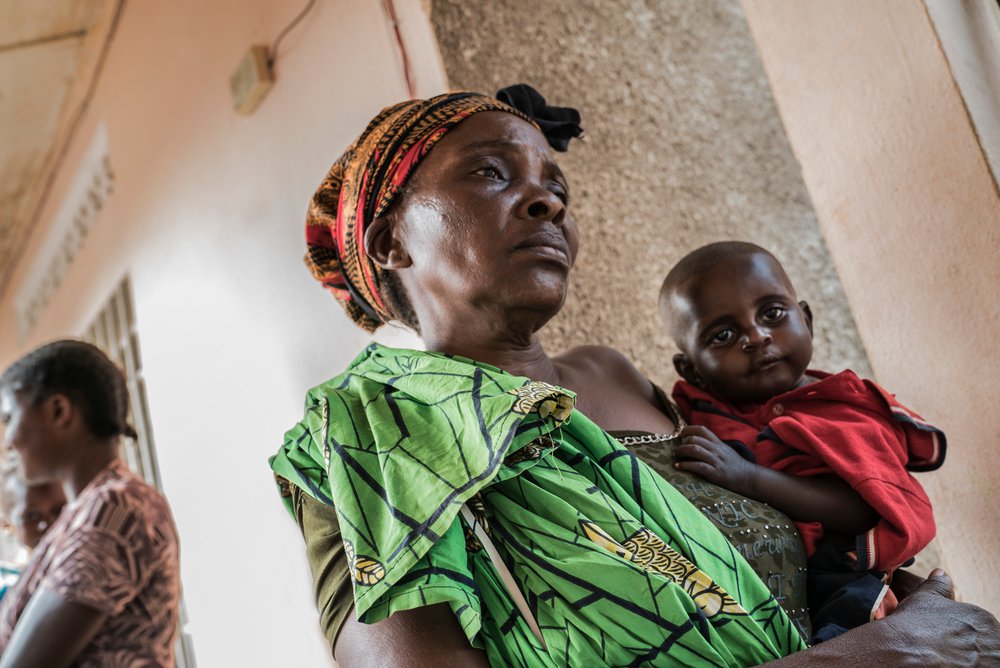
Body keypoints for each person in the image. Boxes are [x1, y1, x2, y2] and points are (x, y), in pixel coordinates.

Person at [271, 86, 1000, 666]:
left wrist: (899, 606)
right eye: (493, 174)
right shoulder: (360, 444)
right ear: (390, 241)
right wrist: (883, 653)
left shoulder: (614, 376)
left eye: (556, 186)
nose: (549, 201)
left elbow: (763, 564)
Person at [659, 241, 946, 643]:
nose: (757, 337)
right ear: (692, 370)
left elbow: (866, 508)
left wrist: (748, 477)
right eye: (723, 335)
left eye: (772, 313)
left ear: (807, 319)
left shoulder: (845, 409)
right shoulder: (697, 413)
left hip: (843, 586)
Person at [0, 340, 180, 667]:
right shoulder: (86, 509)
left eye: (10, 417)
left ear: (59, 411)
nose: (8, 438)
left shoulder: (116, 505)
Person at [0, 480, 67, 602]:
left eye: (58, 511)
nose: (47, 524)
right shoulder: (7, 598)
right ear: (7, 525)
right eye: (32, 515)